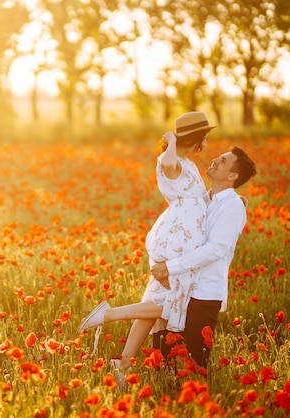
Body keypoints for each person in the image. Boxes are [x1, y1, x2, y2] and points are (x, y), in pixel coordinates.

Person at [77, 111, 216, 384]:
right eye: (205, 139)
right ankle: (108, 314)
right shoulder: (172, 161)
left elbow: (199, 199)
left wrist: (229, 200)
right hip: (178, 240)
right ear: (195, 139)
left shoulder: (187, 164)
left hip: (184, 236)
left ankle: (123, 365)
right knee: (171, 302)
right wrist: (171, 141)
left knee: (154, 303)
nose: (207, 145)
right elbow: (167, 162)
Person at [150, 146, 257, 370]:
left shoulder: (232, 206)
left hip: (203, 294)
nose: (216, 159)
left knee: (195, 364)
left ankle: (108, 315)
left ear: (232, 176)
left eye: (224, 160)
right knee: (163, 359)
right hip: (179, 289)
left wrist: (170, 267)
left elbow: (215, 248)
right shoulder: (200, 200)